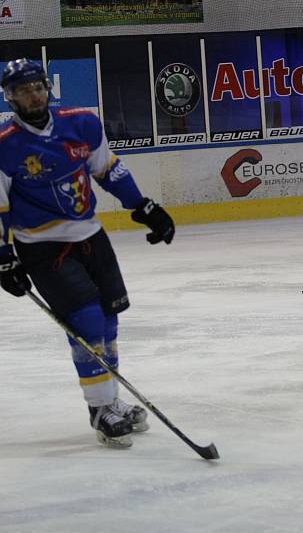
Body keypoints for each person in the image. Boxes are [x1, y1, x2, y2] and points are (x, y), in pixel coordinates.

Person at [0, 59, 175, 449]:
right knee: (87, 321)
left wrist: (144, 208)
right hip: (42, 246)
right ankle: (99, 409)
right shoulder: (4, 144)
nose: (33, 95)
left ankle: (110, 401)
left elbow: (107, 171)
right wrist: (3, 255)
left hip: (91, 236)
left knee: (109, 319)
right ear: (10, 98)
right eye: (23, 90)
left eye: (37, 87)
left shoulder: (81, 122)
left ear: (48, 88)